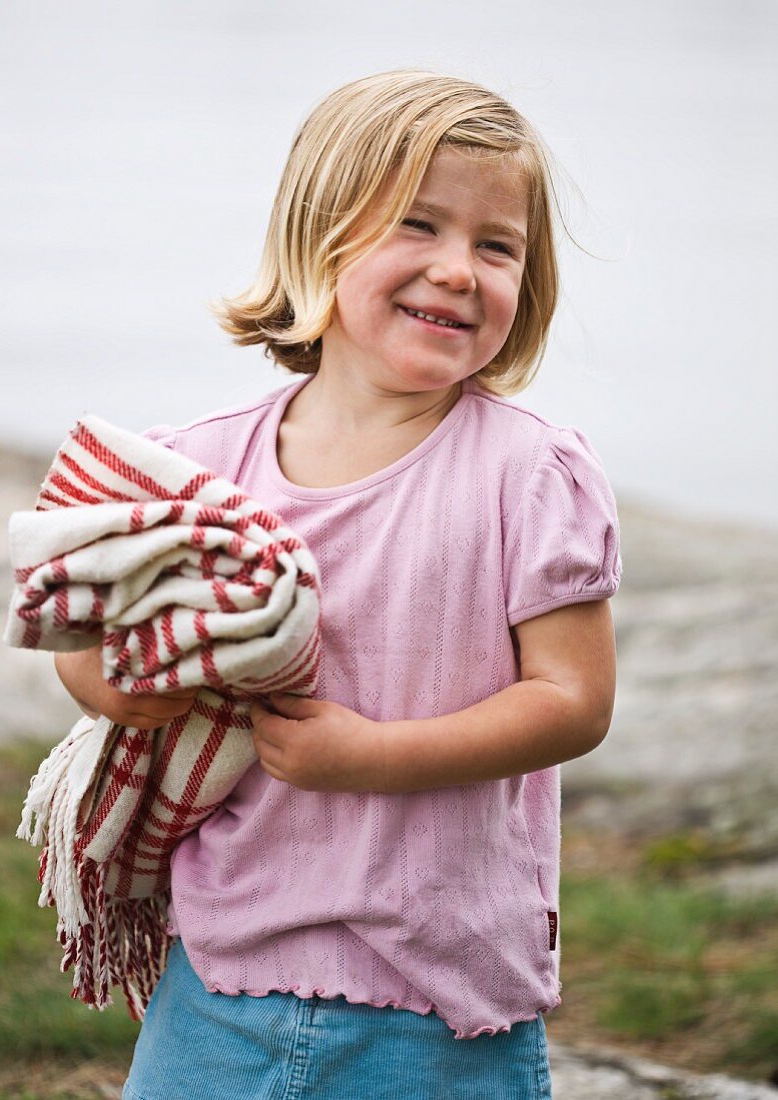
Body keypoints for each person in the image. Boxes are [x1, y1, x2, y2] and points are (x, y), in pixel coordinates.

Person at [55, 69, 621, 1100]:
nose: (459, 269)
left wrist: (372, 755)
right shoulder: (202, 468)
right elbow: (82, 632)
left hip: (440, 1007)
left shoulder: (529, 471)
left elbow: (574, 700)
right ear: (320, 238)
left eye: (496, 245)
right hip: (217, 984)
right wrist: (120, 688)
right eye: (418, 225)